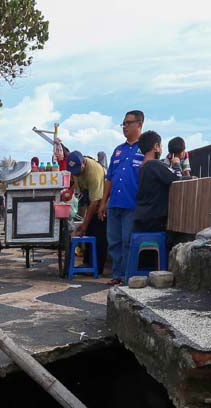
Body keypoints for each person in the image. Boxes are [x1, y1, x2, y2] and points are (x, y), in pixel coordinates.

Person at [85, 109, 145, 285]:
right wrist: (103, 202)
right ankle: (117, 274)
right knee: (114, 241)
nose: (125, 126)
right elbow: (109, 178)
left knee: (128, 240)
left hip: (132, 204)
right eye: (123, 123)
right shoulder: (118, 151)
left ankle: (127, 275)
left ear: (139, 124)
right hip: (114, 204)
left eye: (128, 123)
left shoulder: (145, 150)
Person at [134, 130, 188, 239]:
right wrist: (177, 164)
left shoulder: (143, 167)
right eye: (161, 146)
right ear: (156, 146)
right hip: (154, 219)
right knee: (179, 236)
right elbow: (176, 178)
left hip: (142, 217)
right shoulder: (155, 165)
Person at [67, 150, 108, 273]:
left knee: (98, 233)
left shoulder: (93, 172)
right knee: (89, 230)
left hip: (103, 201)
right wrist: (70, 190)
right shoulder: (75, 168)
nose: (76, 174)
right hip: (89, 197)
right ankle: (88, 263)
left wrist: (84, 224)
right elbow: (76, 183)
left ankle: (98, 267)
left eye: (78, 171)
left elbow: (95, 202)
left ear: (83, 164)